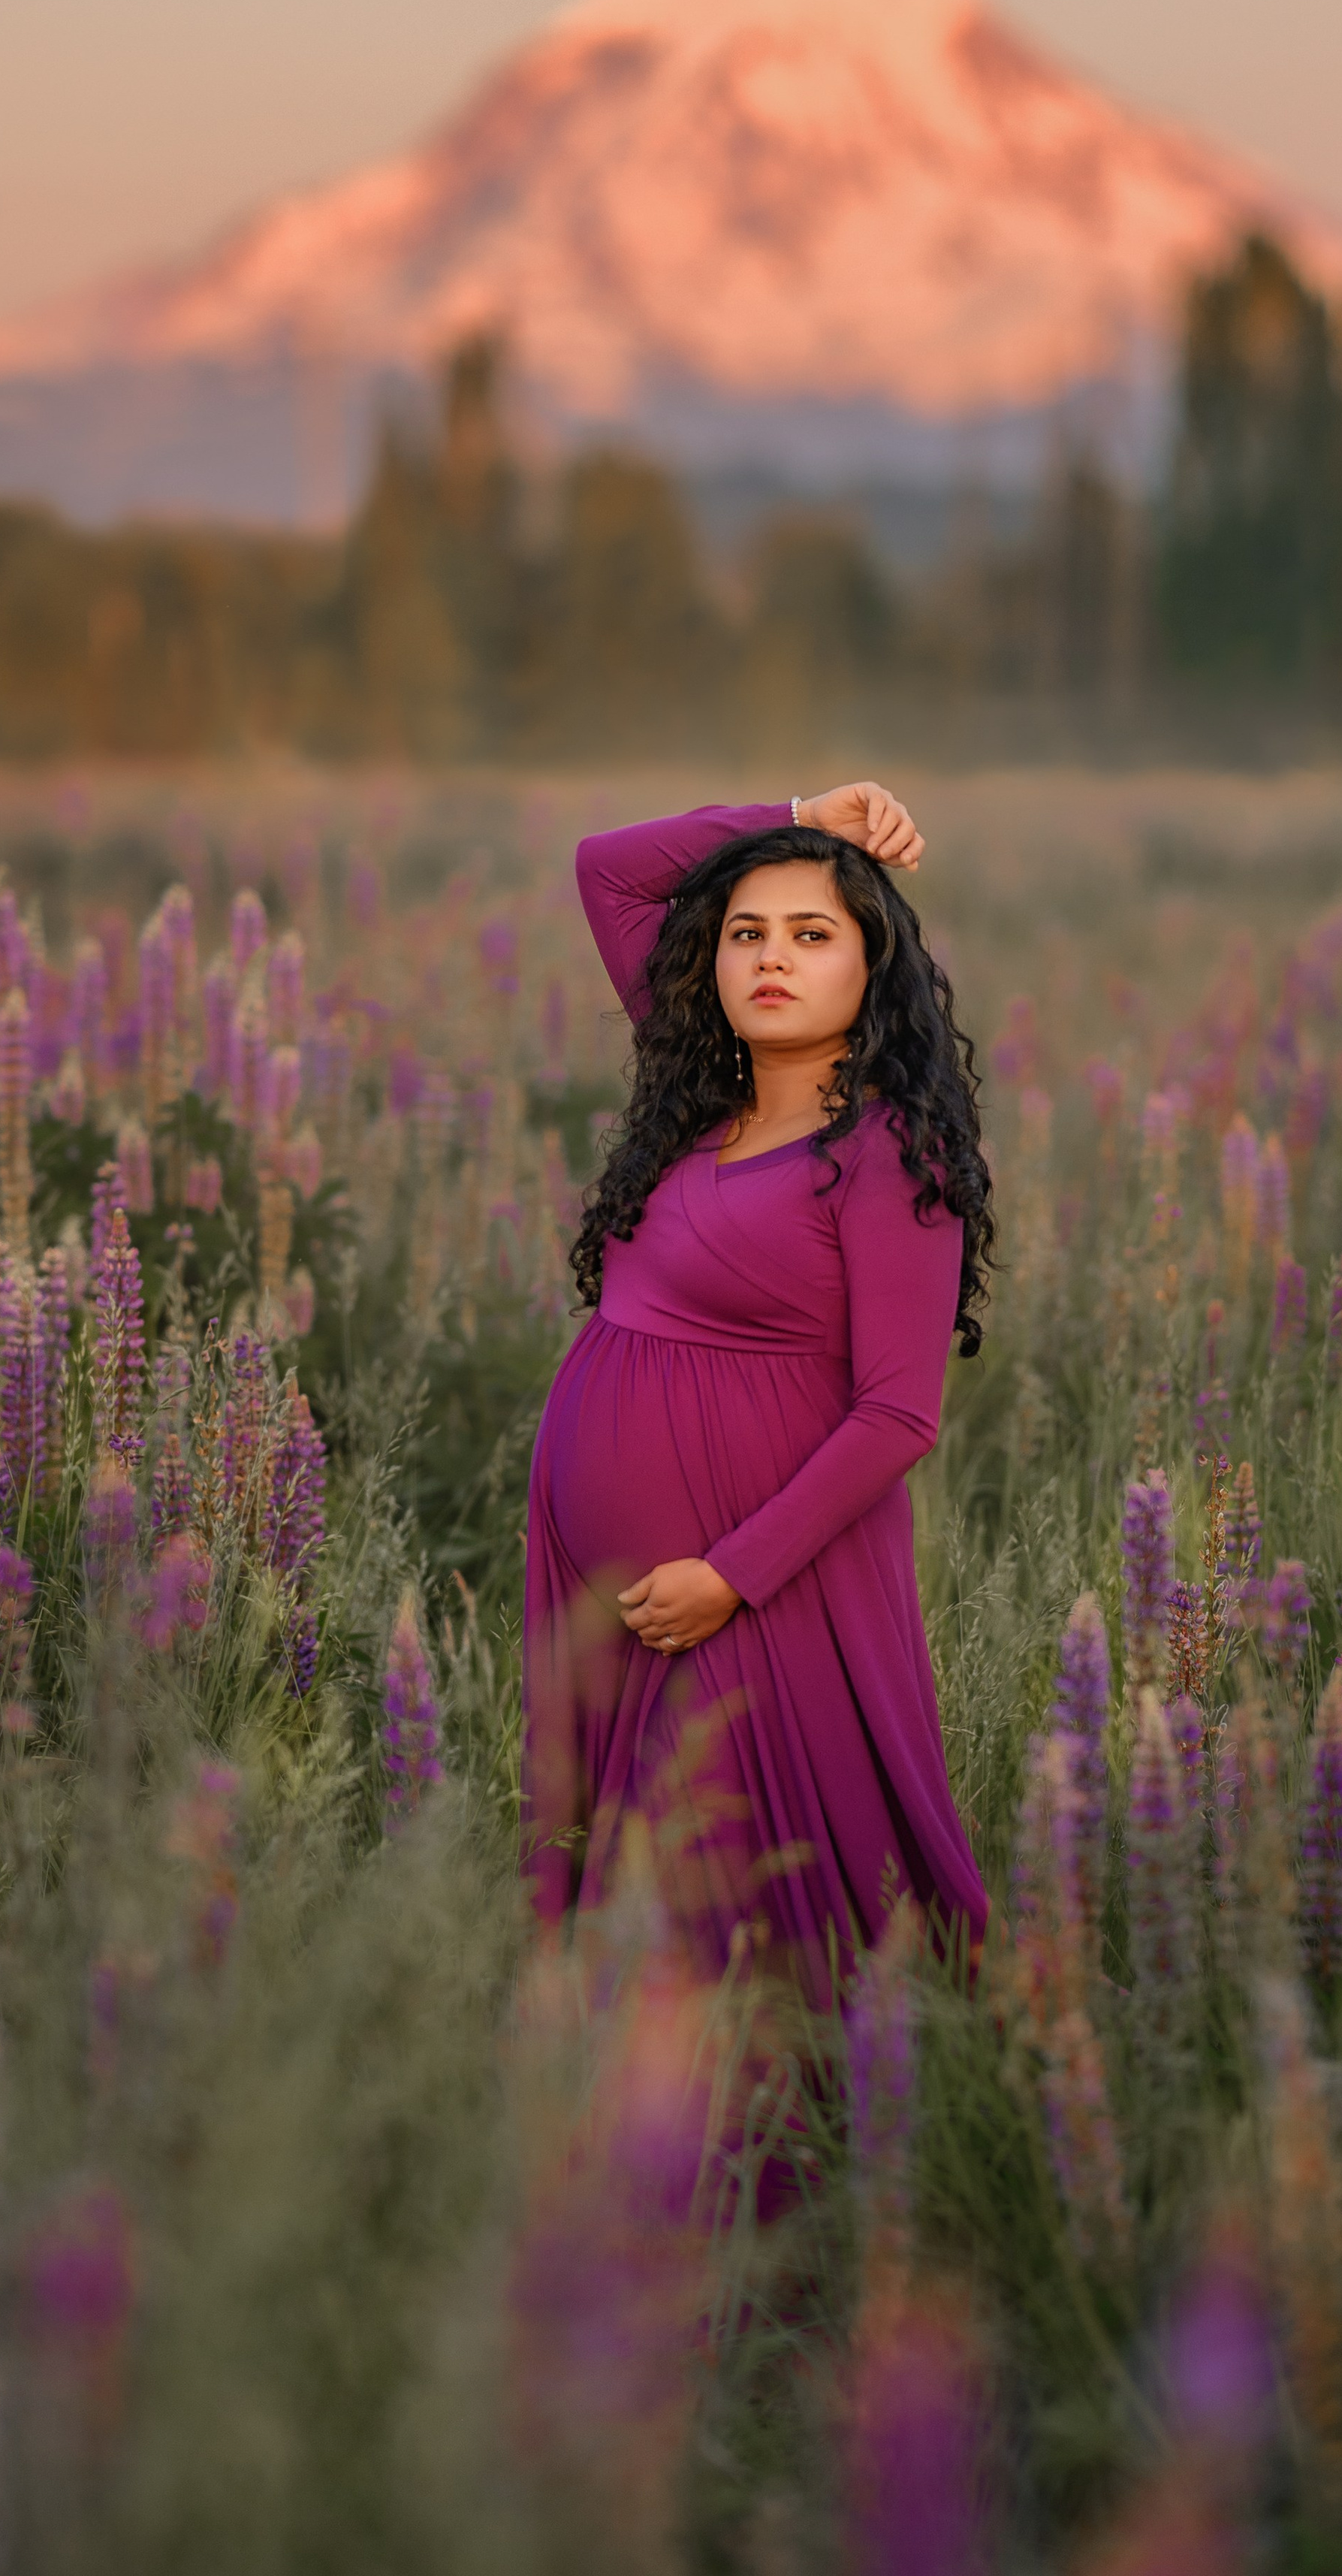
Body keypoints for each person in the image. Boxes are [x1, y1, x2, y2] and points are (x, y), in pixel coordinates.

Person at [522, 782, 993, 2001]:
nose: (772, 957)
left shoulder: (892, 1153)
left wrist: (728, 1575)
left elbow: (900, 1414)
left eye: (812, 932)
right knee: (640, 1887)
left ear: (873, 968)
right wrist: (797, 806)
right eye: (747, 932)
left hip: (757, 1586)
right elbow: (608, 866)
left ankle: (795, 2155)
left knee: (743, 1897)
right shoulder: (696, 1100)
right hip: (622, 1597)